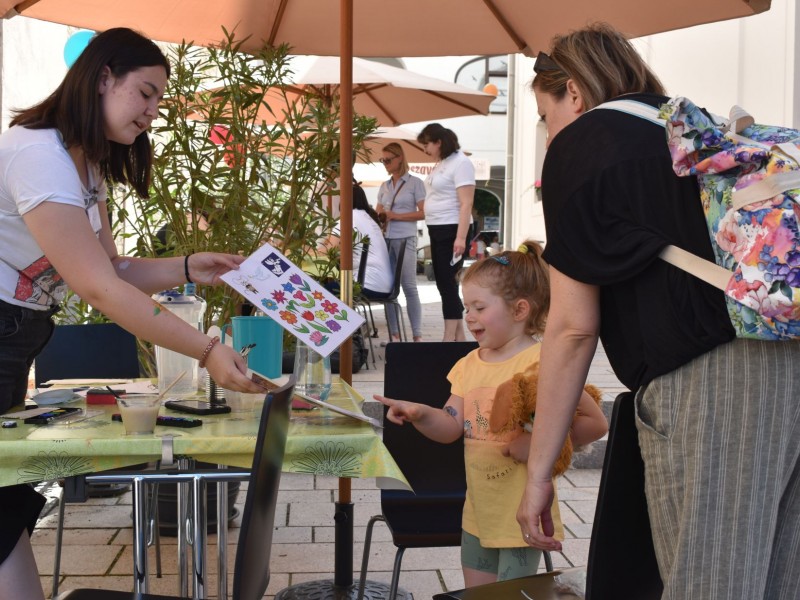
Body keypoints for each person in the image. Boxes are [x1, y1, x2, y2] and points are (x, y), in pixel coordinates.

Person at [516, 23, 800, 599]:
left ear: (572, 90)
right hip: (788, 363)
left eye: (545, 118)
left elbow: (572, 329)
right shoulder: (694, 130)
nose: (550, 135)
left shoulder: (585, 143)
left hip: (715, 386)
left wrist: (541, 472)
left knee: (711, 582)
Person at [0, 28, 263, 599]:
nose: (151, 112)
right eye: (145, 93)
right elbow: (97, 289)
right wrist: (208, 350)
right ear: (102, 78)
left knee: (6, 501)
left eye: (159, 101)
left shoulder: (84, 165)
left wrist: (190, 266)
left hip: (17, 333)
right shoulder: (38, 154)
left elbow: (112, 269)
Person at [375, 241, 607, 588]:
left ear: (520, 310)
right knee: (479, 594)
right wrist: (421, 414)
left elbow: (596, 423)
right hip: (478, 514)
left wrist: (538, 443)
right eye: (467, 306)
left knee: (512, 596)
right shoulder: (469, 364)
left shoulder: (544, 362)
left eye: (479, 307)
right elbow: (451, 426)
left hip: (521, 515)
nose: (468, 316)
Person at [417, 123, 475, 342]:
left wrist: (460, 237)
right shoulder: (442, 163)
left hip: (452, 229)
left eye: (427, 145)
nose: (425, 150)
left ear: (438, 142)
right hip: (438, 227)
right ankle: (458, 337)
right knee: (444, 282)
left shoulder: (461, 163)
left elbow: (466, 202)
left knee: (447, 282)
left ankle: (449, 335)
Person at [375, 142, 426, 342]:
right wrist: (379, 217)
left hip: (406, 238)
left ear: (399, 158)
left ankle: (417, 335)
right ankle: (394, 334)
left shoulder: (415, 183)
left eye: (388, 160)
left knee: (409, 286)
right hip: (386, 239)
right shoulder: (385, 185)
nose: (385, 164)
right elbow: (378, 212)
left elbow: (423, 212)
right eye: (383, 160)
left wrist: (396, 215)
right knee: (388, 288)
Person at [320, 181, 392, 298]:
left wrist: (308, 250)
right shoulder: (369, 219)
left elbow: (330, 251)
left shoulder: (349, 217)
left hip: (366, 284)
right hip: (384, 286)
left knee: (319, 290)